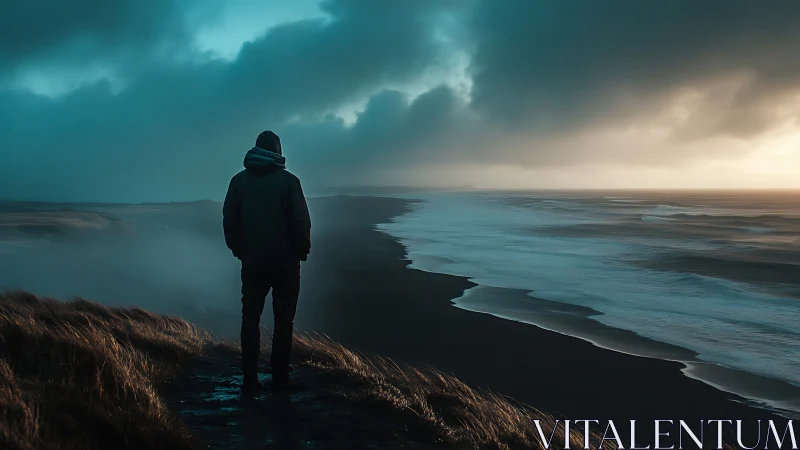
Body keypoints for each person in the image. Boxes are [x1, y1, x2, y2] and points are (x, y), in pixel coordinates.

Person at [223, 130, 311, 393]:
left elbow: (229, 219)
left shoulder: (238, 182)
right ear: (277, 150)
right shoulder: (289, 182)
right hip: (285, 264)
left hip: (252, 263)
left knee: (250, 318)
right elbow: (301, 220)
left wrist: (238, 249)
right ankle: (280, 379)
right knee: (284, 321)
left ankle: (250, 379)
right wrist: (302, 250)